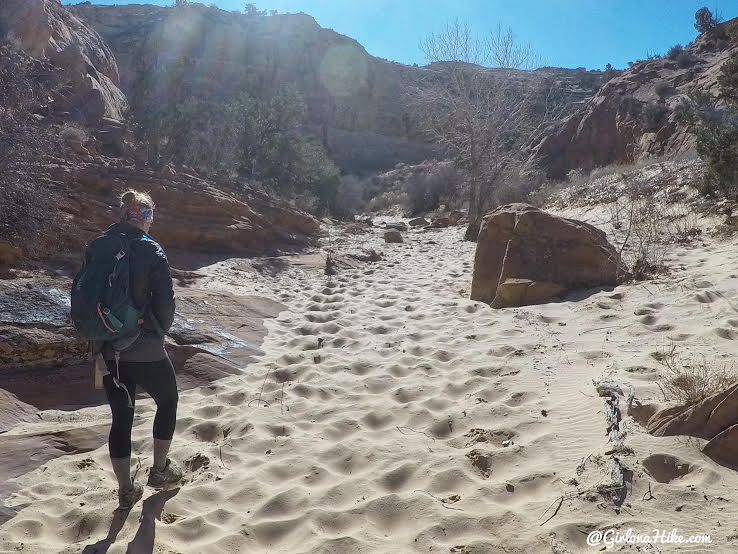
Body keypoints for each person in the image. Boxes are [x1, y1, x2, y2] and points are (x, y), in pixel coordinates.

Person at [95, 190, 182, 510]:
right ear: (145, 218)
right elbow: (165, 304)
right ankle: (159, 472)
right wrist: (158, 331)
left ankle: (125, 490)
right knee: (168, 399)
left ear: (120, 214)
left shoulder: (100, 245)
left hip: (106, 349)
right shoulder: (151, 249)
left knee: (121, 417)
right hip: (144, 346)